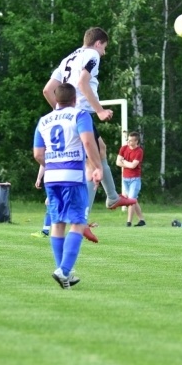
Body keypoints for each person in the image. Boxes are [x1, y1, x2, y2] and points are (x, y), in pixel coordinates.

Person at [42, 27, 136, 218]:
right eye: (105, 47)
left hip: (70, 112)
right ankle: (83, 216)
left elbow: (47, 90)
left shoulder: (68, 58)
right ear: (98, 43)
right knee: (93, 163)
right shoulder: (92, 54)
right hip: (80, 112)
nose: (104, 52)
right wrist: (100, 111)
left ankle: (111, 197)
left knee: (99, 150)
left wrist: (59, 112)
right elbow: (83, 84)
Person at [34, 82, 103, 289]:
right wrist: (97, 166)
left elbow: (38, 154)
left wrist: (53, 164)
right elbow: (89, 143)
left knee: (57, 223)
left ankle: (66, 273)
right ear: (75, 100)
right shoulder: (80, 115)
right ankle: (63, 270)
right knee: (78, 222)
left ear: (56, 100)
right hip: (73, 175)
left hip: (52, 176)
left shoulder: (44, 120)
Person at [117, 131, 145, 227]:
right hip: (125, 178)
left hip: (135, 179)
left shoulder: (139, 151)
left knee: (131, 200)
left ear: (136, 141)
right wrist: (127, 163)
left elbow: (133, 165)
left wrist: (124, 161)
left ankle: (128, 222)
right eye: (128, 140)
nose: (128, 142)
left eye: (131, 141)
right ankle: (142, 220)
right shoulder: (124, 148)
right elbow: (117, 162)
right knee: (133, 200)